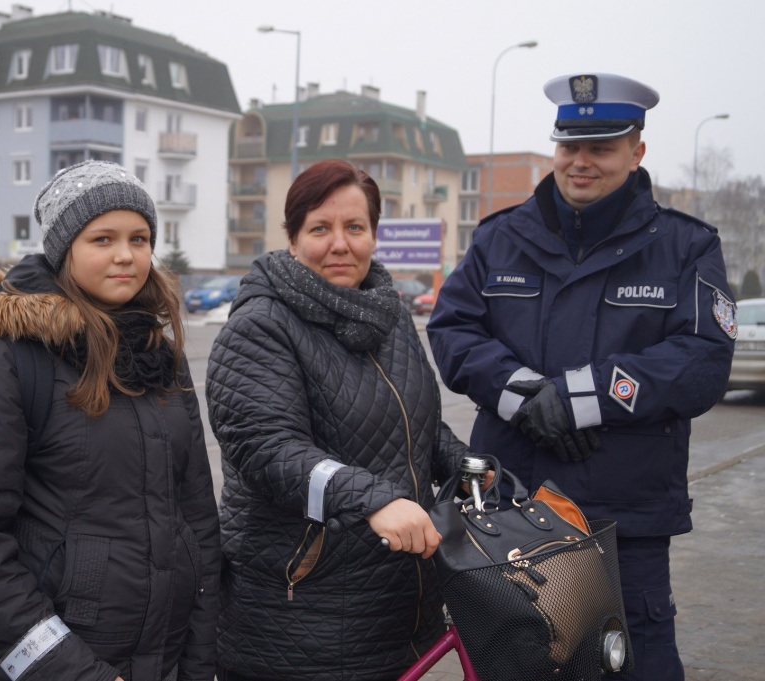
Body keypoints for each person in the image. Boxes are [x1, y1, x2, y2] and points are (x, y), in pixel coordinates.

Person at [427, 73, 737, 680]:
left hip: (624, 518)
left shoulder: (684, 247)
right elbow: (451, 332)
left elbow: (702, 361)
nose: (581, 161)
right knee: (518, 664)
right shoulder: (500, 238)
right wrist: (526, 396)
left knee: (634, 664)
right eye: (570, 145)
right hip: (511, 513)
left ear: (636, 151)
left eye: (602, 147)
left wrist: (578, 399)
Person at [0, 160, 220, 681]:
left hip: (161, 656)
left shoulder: (162, 356)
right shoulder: (8, 359)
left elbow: (197, 518)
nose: (125, 256)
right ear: (64, 250)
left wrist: (200, 660)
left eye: (139, 238)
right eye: (102, 238)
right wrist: (71, 672)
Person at [205, 159, 480, 681]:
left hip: (397, 609)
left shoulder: (390, 315)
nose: (340, 244)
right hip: (302, 620)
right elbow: (268, 451)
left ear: (374, 235)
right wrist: (373, 498)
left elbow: (409, 422)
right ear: (291, 239)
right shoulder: (261, 325)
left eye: (355, 227)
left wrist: (460, 462)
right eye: (320, 229)